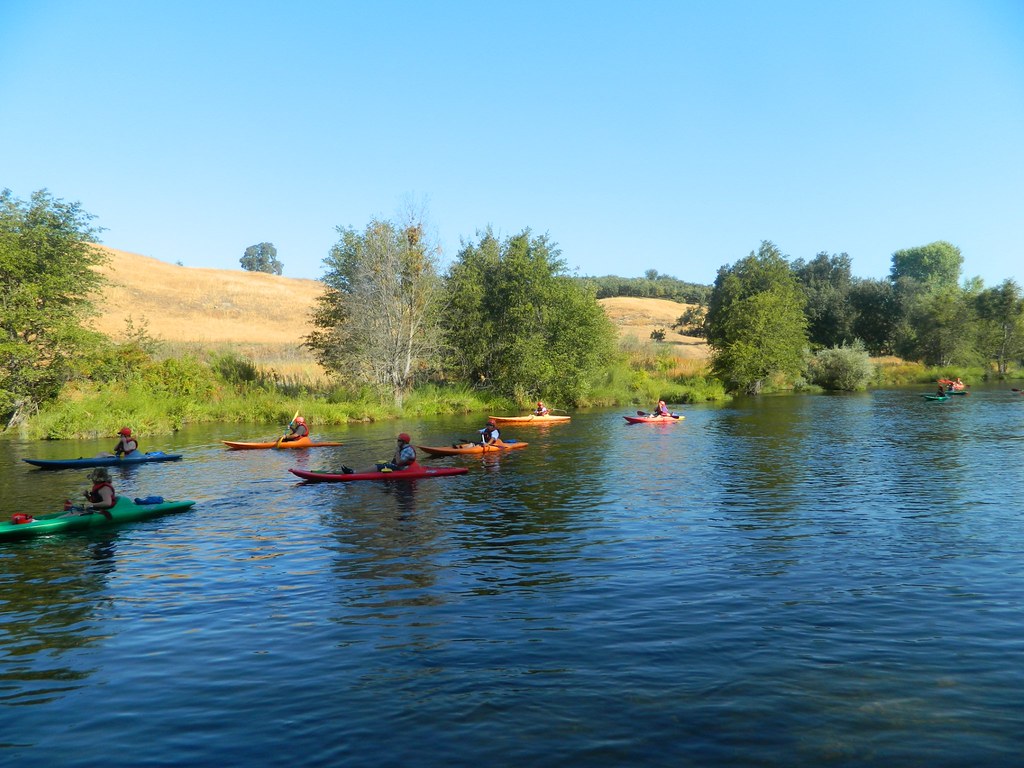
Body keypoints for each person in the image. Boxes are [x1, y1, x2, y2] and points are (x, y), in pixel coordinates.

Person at [342, 433, 417, 474]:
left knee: (376, 466)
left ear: (403, 442)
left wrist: (397, 451)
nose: (397, 441)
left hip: (401, 470)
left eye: (399, 440)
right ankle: (355, 471)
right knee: (379, 466)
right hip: (397, 467)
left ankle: (353, 472)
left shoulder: (407, 450)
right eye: (397, 440)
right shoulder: (403, 448)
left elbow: (399, 462)